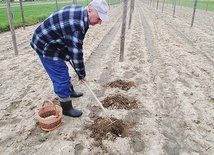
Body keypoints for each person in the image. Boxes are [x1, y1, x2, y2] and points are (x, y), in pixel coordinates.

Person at [30, 0, 109, 117]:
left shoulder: (80, 14)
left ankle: (70, 91)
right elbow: (76, 53)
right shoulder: (76, 25)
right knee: (60, 74)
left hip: (54, 42)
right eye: (98, 18)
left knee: (63, 69)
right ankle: (66, 108)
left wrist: (67, 55)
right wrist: (81, 74)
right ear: (90, 10)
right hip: (45, 46)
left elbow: (70, 43)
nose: (100, 22)